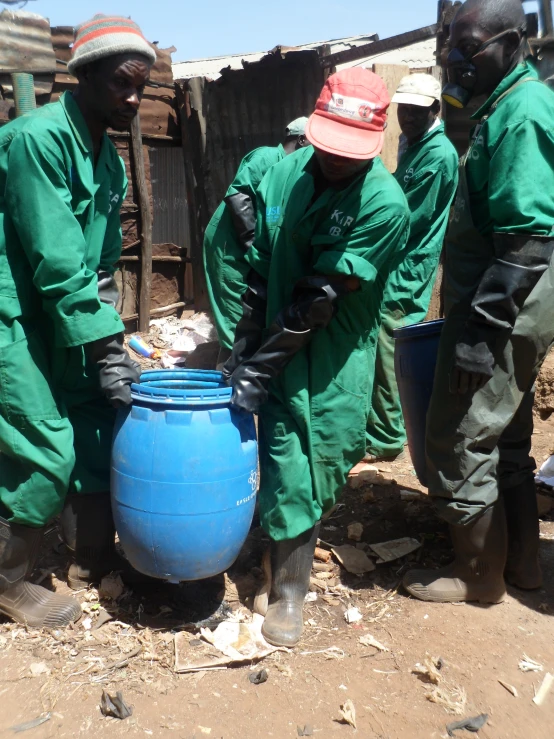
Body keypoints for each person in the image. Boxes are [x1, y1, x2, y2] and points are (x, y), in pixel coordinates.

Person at [224, 68, 410, 646]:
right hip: (281, 340)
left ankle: (283, 565)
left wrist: (261, 366)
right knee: (287, 465)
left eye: (348, 154)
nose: (334, 161)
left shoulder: (383, 203)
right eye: (327, 147)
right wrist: (244, 345)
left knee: (320, 462)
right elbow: (262, 269)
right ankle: (287, 591)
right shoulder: (287, 172)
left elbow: (318, 300)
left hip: (330, 356)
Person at [0, 14, 156, 627]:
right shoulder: (37, 140)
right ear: (83, 76)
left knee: (95, 424)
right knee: (42, 445)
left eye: (141, 85)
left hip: (68, 319)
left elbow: (103, 266)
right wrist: (103, 346)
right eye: (123, 83)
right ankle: (9, 583)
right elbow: (59, 264)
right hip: (19, 316)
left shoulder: (109, 161)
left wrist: (110, 335)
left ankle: (90, 557)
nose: (135, 97)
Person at [403, 0, 554, 603]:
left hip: (507, 301)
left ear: (514, 43)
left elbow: (524, 242)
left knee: (461, 432)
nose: (456, 64)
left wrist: (476, 337)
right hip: (505, 299)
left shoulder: (520, 112)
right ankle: (523, 566)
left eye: (470, 50)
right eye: (450, 51)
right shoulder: (505, 105)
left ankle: (477, 578)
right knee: (507, 434)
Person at [366, 73, 459, 462]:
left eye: (417, 111)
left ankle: (388, 436)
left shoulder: (437, 155)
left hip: (408, 264)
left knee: (391, 341)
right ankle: (383, 424)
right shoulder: (414, 144)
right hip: (397, 260)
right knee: (383, 338)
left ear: (435, 109)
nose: (407, 117)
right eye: (403, 109)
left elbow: (409, 217)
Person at [203, 118, 309, 364]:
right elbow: (238, 196)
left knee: (250, 312)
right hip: (229, 246)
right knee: (235, 313)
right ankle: (227, 380)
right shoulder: (267, 157)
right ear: (301, 139)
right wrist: (254, 249)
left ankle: (233, 369)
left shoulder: (295, 171)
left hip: (247, 249)